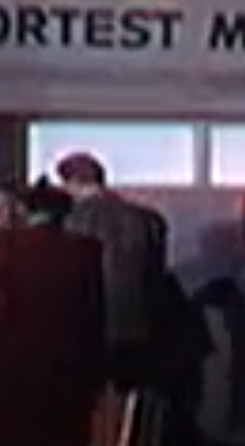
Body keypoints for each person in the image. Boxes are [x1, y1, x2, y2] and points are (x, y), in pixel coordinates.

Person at [0, 181, 106, 446]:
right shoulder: (87, 249)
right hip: (71, 352)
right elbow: (94, 307)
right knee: (66, 427)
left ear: (28, 211)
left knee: (18, 425)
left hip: (15, 352)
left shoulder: (4, 245)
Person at [56, 152, 167, 388]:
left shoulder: (73, 221)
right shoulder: (144, 219)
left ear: (73, 182)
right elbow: (155, 279)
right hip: (139, 328)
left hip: (92, 330)